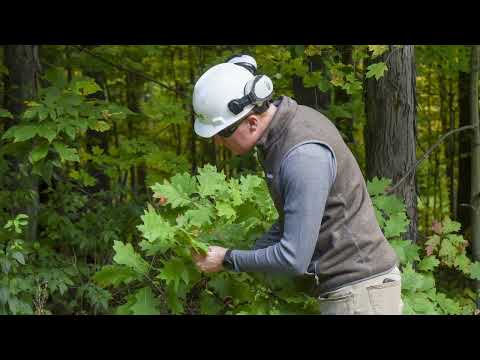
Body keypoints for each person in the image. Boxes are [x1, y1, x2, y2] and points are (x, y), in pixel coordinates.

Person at [191, 54, 403, 315]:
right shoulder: (282, 134)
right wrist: (251, 252)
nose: (218, 143)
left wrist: (227, 259)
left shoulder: (302, 156)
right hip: (353, 292)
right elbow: (295, 219)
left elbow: (293, 259)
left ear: (252, 122)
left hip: (361, 296)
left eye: (222, 133)